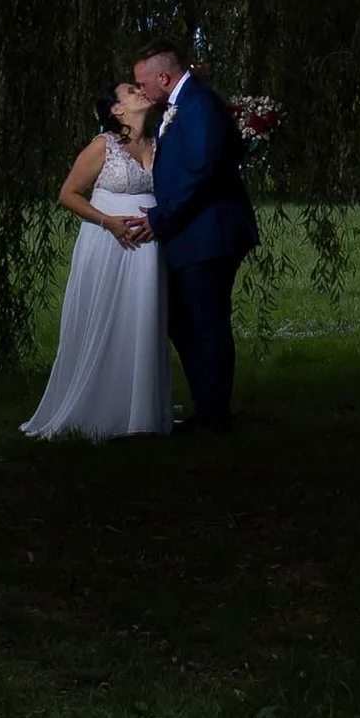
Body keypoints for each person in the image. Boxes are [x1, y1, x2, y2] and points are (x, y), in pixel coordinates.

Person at [122, 37, 259, 433]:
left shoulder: (198, 104)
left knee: (205, 321)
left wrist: (162, 219)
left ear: (164, 77)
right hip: (195, 232)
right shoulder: (183, 105)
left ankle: (214, 416)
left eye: (143, 83)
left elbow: (201, 170)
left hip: (209, 234)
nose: (142, 91)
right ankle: (209, 406)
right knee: (185, 319)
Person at [21, 80, 171, 439]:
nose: (140, 92)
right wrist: (108, 222)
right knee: (107, 314)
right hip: (109, 244)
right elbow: (68, 194)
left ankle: (141, 413)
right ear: (116, 110)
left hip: (148, 250)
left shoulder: (157, 143)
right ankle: (97, 407)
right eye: (131, 91)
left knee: (143, 319)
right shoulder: (102, 146)